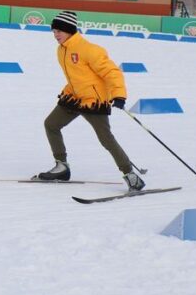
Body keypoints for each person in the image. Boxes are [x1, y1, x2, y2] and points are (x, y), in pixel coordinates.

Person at [36, 10, 144, 190]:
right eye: (54, 32)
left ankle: (130, 174)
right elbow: (75, 76)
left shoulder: (90, 50)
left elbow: (111, 72)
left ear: (69, 30)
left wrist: (119, 95)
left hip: (94, 100)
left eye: (59, 31)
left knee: (106, 139)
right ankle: (61, 166)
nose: (55, 35)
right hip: (74, 97)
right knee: (51, 124)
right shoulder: (61, 50)